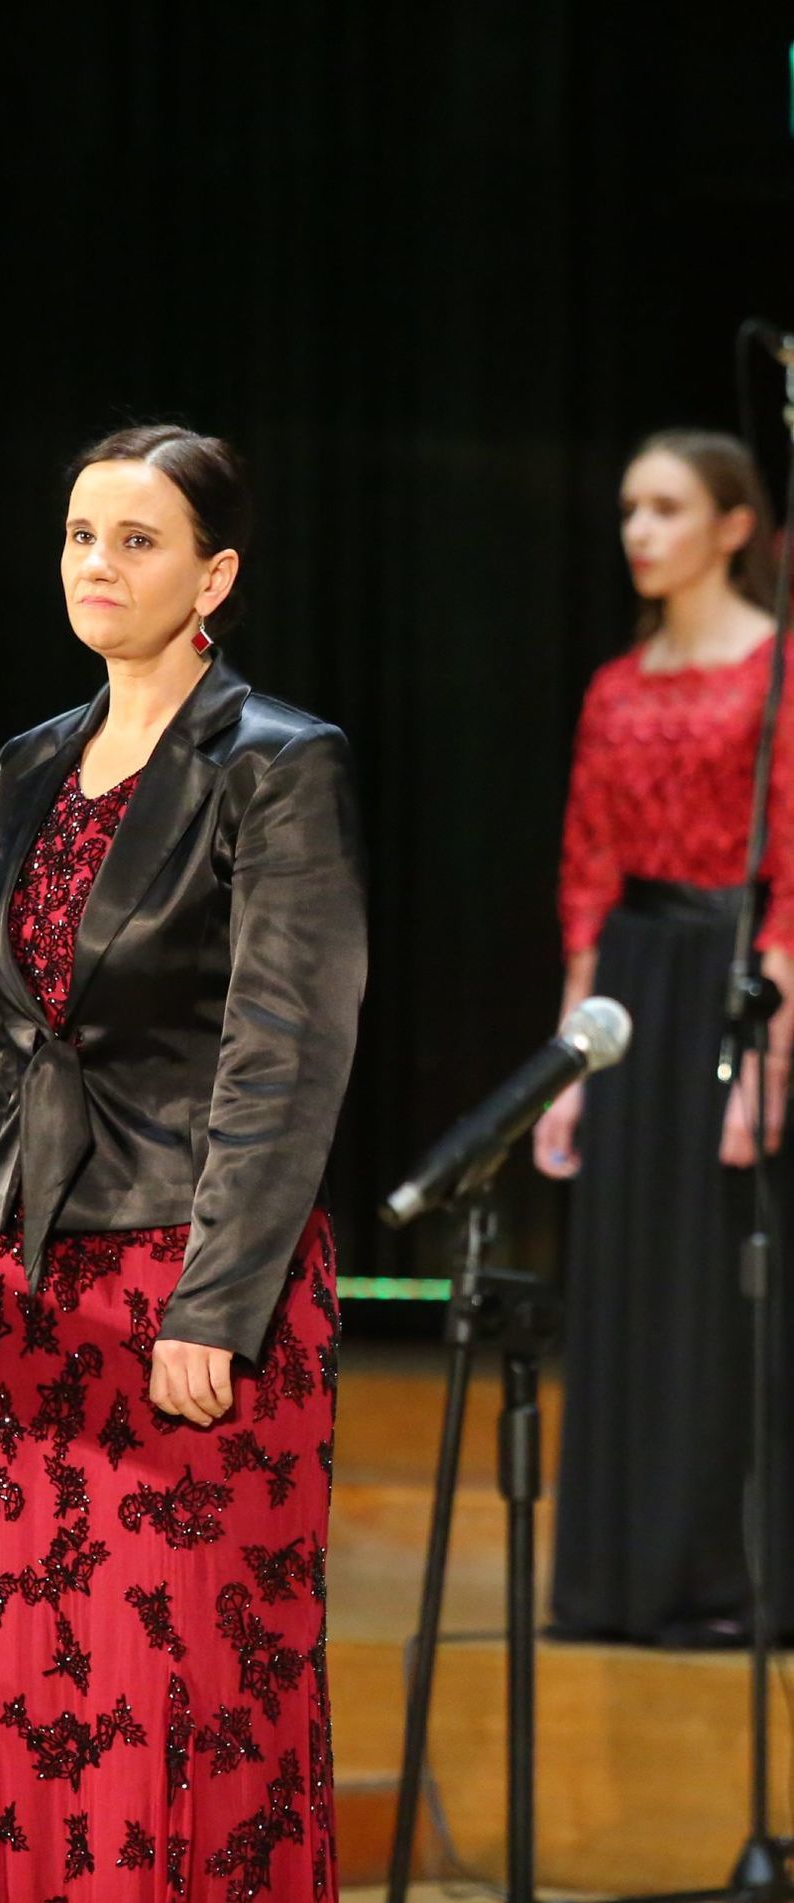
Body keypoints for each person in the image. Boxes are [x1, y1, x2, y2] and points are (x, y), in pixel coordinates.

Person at [0, 423, 366, 1899]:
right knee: (45, 1696)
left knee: (186, 1693)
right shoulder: (27, 765)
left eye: (139, 539)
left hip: (195, 1290)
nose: (98, 563)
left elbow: (288, 1056)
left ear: (216, 574)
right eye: (82, 532)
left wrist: (217, 1304)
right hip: (35, 1290)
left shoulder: (280, 762)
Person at [534, 428, 792, 1645]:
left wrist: (772, 1061)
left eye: (668, 507)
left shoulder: (778, 673)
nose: (640, 529)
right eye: (631, 507)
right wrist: (571, 1068)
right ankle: (614, 1581)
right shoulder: (613, 685)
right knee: (629, 1279)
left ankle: (715, 1579)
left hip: (736, 984)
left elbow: (791, 872)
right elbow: (588, 873)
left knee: (713, 1288)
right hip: (634, 986)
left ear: (733, 526)